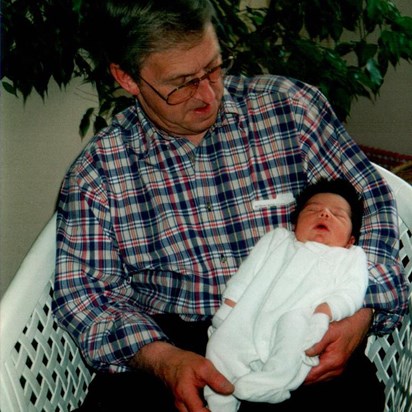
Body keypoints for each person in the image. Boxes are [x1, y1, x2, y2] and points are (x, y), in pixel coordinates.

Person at [52, 1, 408, 411]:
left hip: (300, 329)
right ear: (127, 78)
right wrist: (163, 360)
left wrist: (357, 316)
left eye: (214, 68)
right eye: (181, 83)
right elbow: (86, 297)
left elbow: (374, 207)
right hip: (172, 343)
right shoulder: (98, 173)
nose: (207, 94)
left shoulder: (290, 109)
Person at [204, 178, 368, 411]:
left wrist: (326, 311)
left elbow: (353, 292)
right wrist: (229, 307)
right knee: (221, 346)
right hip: (251, 314)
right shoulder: (277, 240)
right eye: (312, 210)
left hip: (301, 317)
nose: (324, 215)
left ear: (350, 239)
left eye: (338, 215)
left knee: (294, 344)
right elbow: (247, 274)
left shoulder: (351, 257)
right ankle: (220, 401)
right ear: (295, 224)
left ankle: (271, 382)